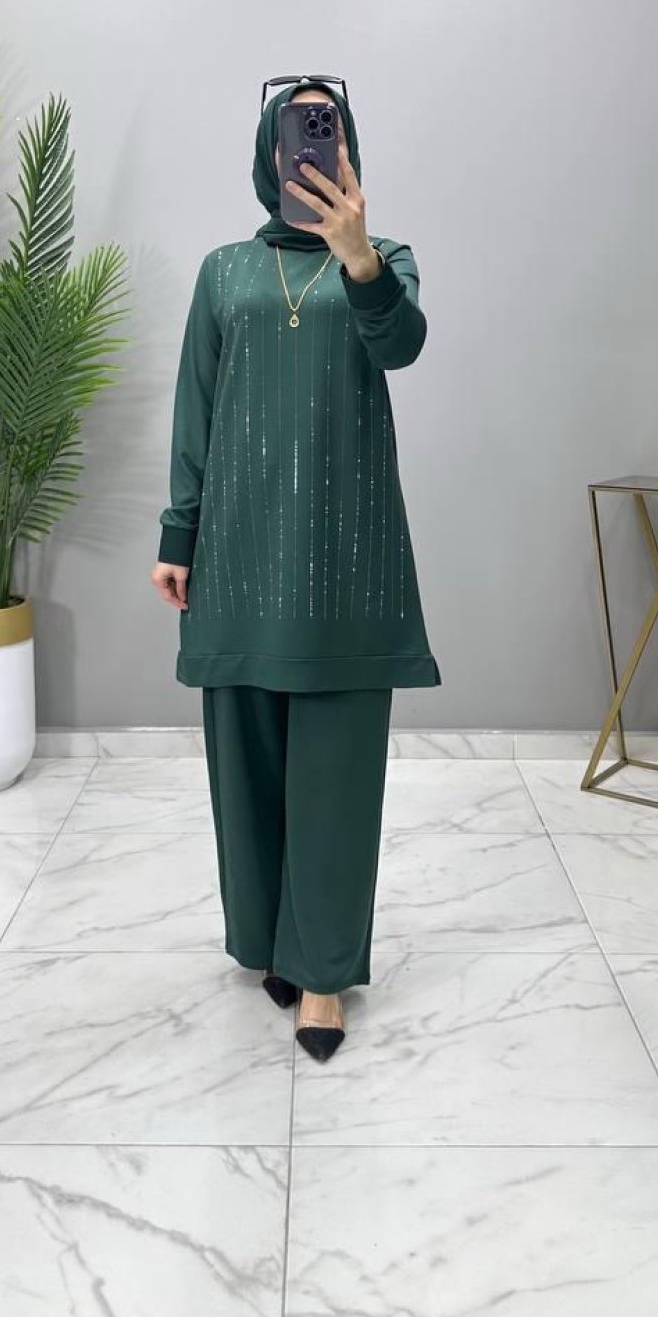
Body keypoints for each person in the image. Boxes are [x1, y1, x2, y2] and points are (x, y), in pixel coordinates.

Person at [151, 76, 440, 1061]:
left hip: (343, 559)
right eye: (295, 129)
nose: (310, 146)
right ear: (269, 150)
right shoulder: (224, 271)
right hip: (238, 552)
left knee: (336, 771)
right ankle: (272, 939)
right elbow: (195, 405)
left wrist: (358, 257)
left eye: (326, 128)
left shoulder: (385, 259)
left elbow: (400, 347)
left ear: (347, 147)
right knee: (249, 767)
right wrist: (178, 533)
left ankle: (320, 973)